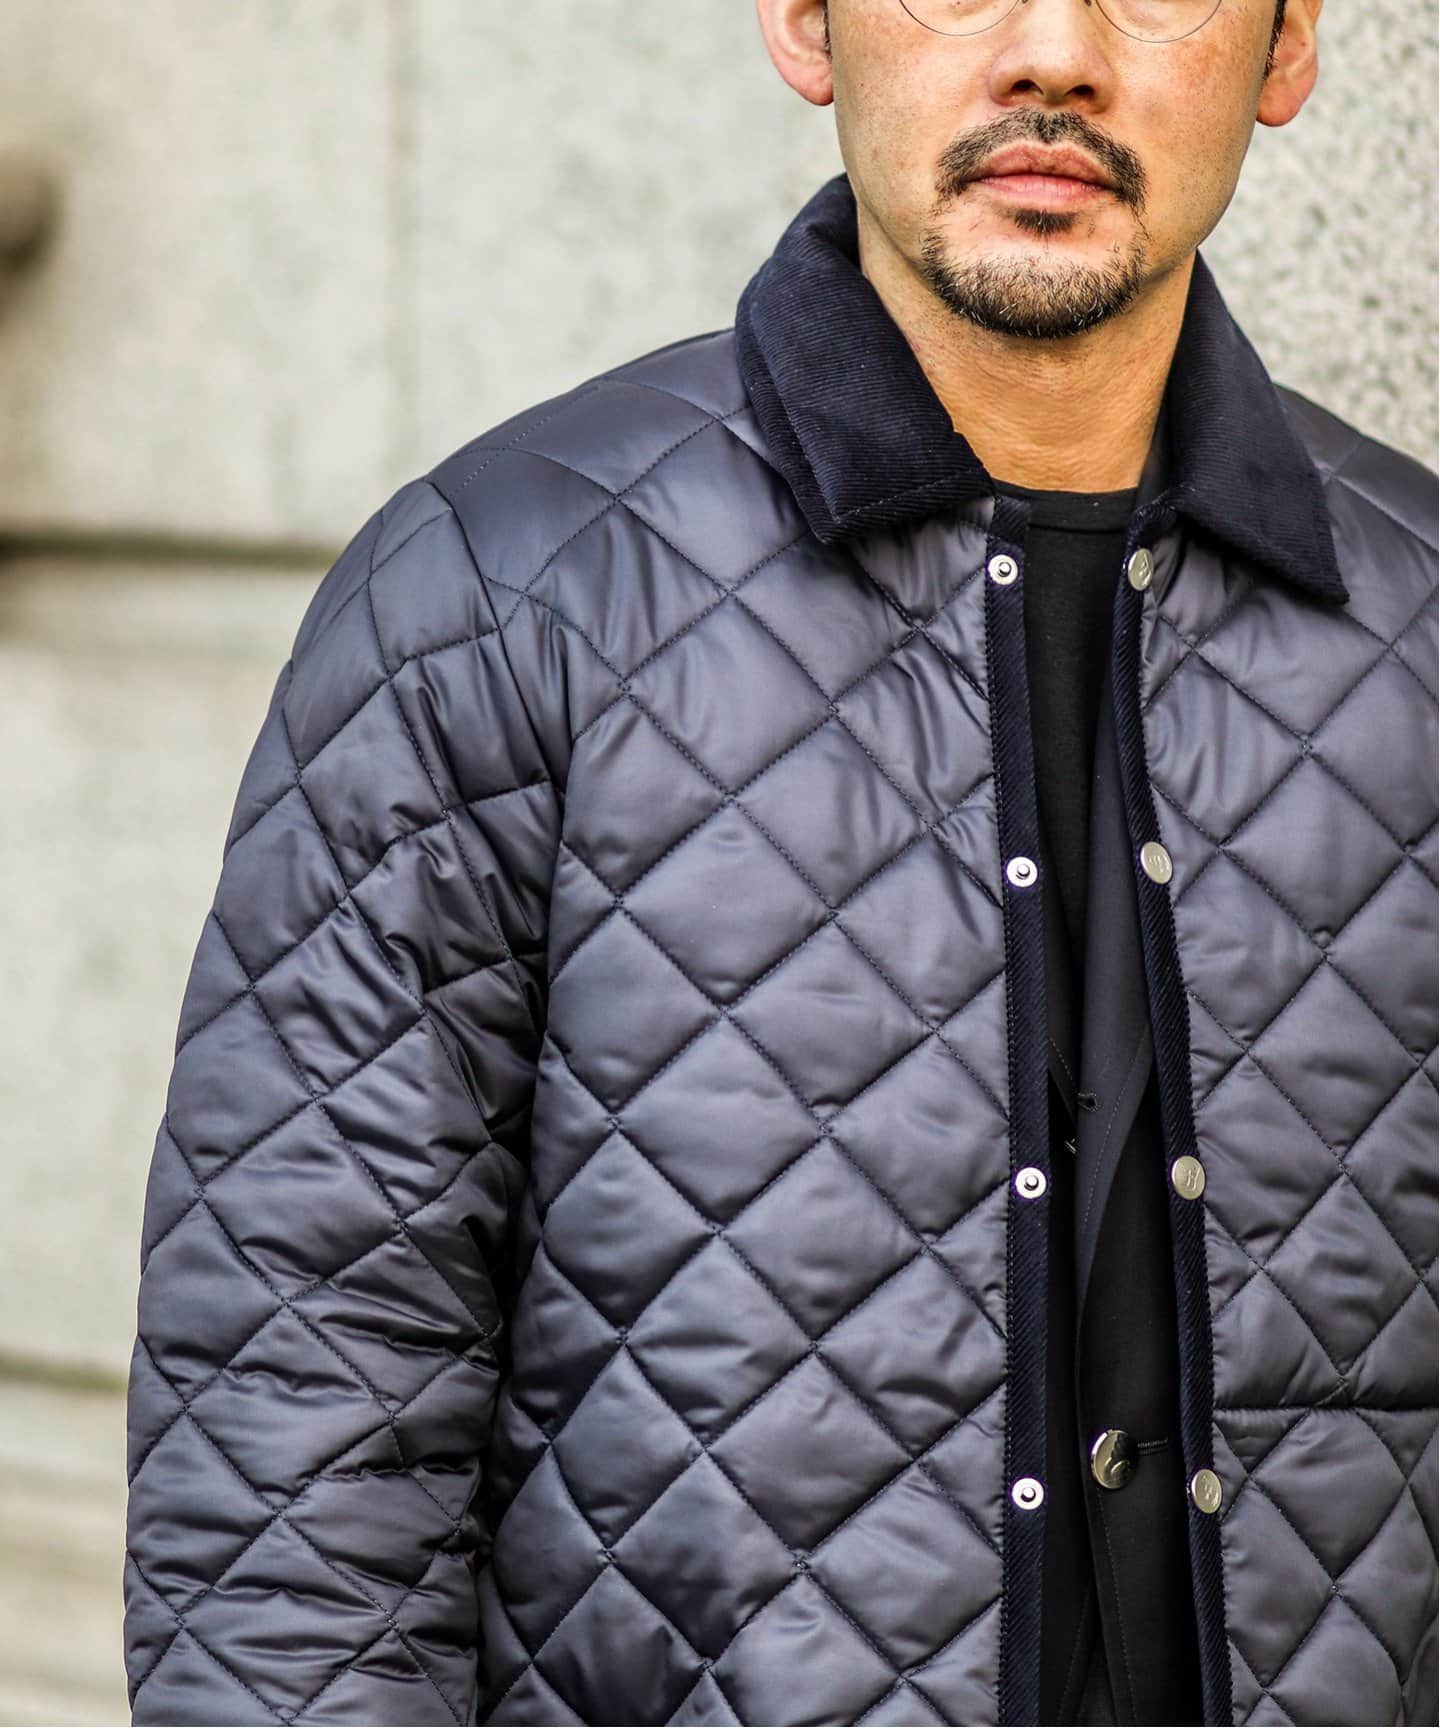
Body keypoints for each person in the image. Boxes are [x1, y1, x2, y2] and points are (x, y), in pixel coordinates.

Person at [122, 2, 1438, 1723]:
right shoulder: (501, 596)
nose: (1055, 50)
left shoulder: (1421, 641)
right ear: (808, 24)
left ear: (1286, 49)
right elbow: (295, 1469)